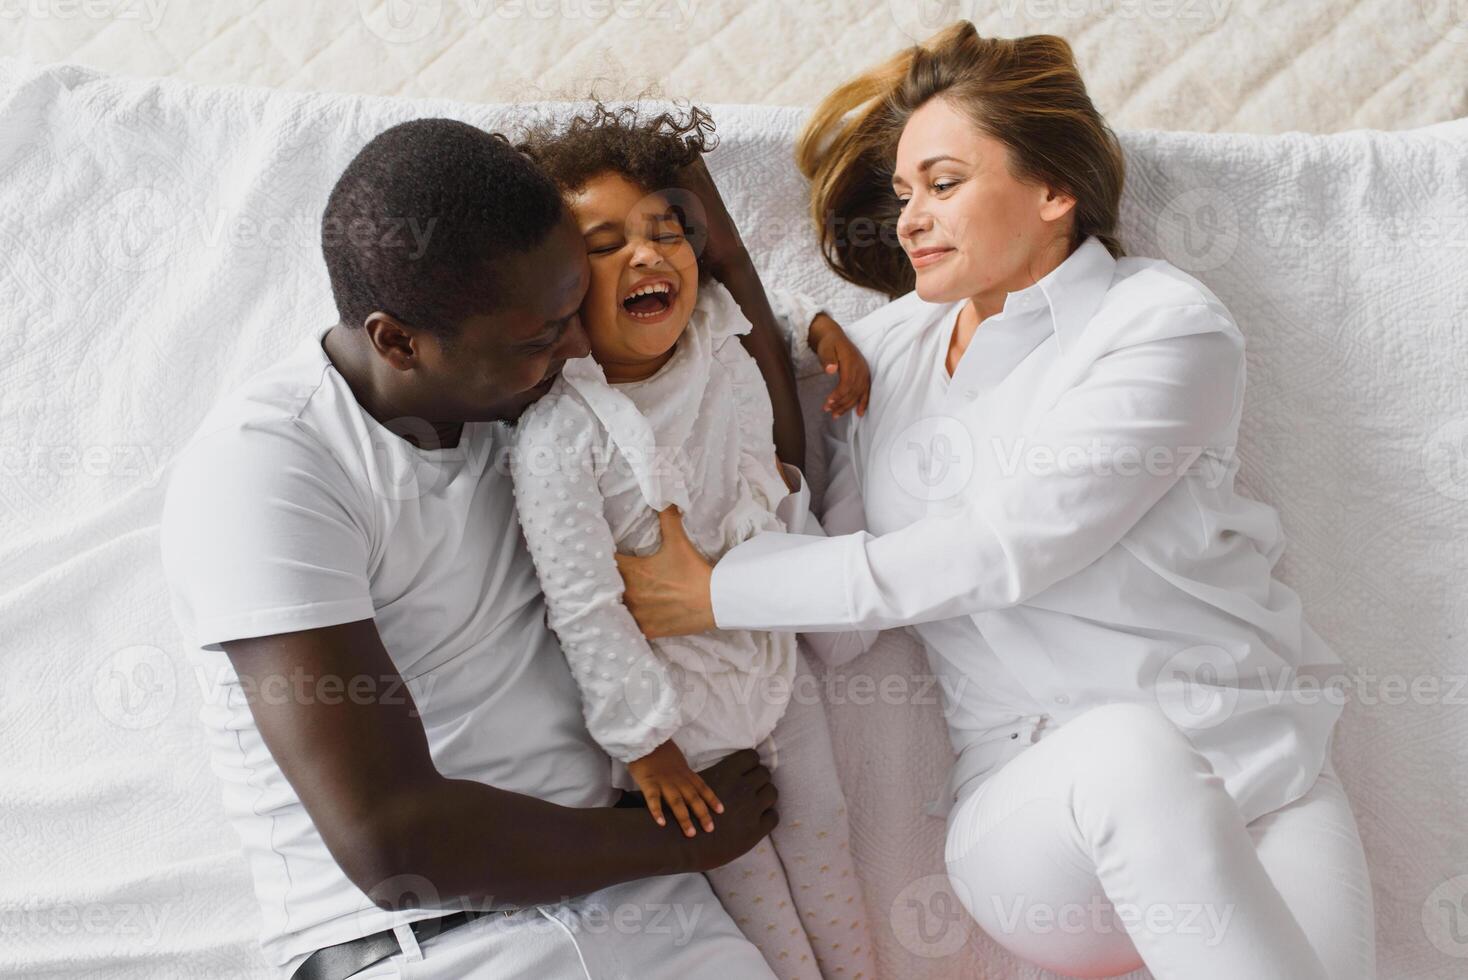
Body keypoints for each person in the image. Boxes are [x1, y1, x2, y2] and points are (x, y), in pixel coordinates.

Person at [614, 22, 1377, 980]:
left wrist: (719, 593)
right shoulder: (883, 353)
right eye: (902, 195)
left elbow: (1004, 549)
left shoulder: (1165, 327)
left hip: (1263, 780)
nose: (908, 220)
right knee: (1127, 755)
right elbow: (844, 629)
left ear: (1055, 192)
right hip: (1036, 822)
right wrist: (813, 358)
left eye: (943, 184)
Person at [159, 118, 787, 980]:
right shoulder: (271, 466)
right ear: (397, 342)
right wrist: (676, 838)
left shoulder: (542, 411)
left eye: (573, 315)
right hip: (441, 943)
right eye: (540, 337)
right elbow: (392, 844)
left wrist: (686, 182)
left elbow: (758, 419)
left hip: (653, 909)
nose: (575, 351)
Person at [511, 104, 876, 980]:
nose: (646, 255)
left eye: (664, 231)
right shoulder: (561, 434)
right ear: (555, 288)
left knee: (827, 841)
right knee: (755, 899)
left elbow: (762, 316)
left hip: (772, 661)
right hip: (681, 720)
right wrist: (646, 746)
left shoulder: (715, 331)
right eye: (603, 246)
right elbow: (584, 608)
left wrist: (819, 332)